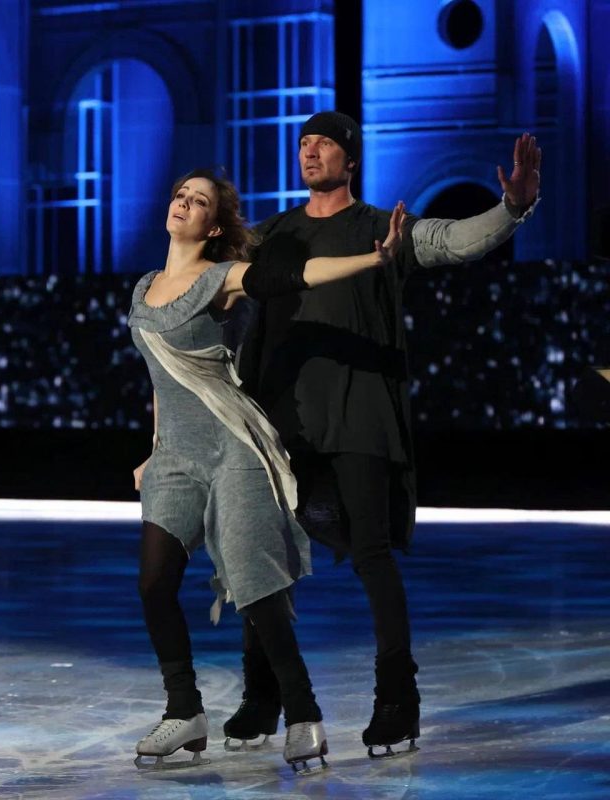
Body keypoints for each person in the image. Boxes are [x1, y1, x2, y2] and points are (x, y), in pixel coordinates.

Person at [224, 111, 542, 757]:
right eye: (304, 143)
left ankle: (398, 701)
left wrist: (512, 208)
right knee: (261, 558)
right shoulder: (273, 235)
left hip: (359, 413)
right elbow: (215, 278)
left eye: (325, 143)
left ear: (351, 159)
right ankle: (263, 694)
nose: (311, 152)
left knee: (371, 554)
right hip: (278, 419)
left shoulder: (382, 228)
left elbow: (453, 240)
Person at [127, 167, 405, 771]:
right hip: (176, 456)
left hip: (233, 447)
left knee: (255, 587)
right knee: (154, 583)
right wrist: (153, 448)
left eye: (199, 201)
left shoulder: (222, 277)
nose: (184, 203)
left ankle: (302, 713)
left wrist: (372, 259)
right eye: (180, 195)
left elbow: (294, 275)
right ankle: (185, 711)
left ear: (214, 225)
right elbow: (162, 378)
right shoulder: (145, 287)